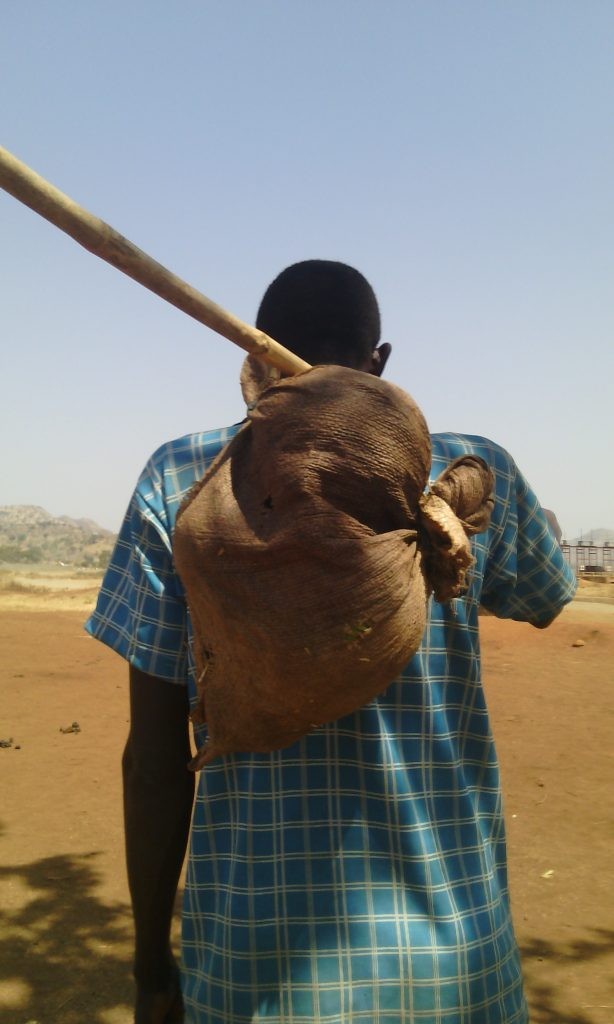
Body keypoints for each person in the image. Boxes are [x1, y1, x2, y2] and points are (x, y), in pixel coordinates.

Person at [86, 260, 576, 1024]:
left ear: (254, 362)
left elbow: (154, 763)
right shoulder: (478, 476)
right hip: (454, 972)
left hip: (254, 974)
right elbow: (552, 596)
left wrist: (153, 969)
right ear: (379, 361)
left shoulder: (184, 478)